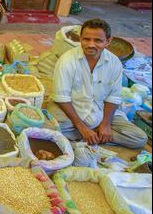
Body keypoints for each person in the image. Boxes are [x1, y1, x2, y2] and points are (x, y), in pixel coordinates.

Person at [48, 18, 147, 149]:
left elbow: (113, 97)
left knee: (139, 138)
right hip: (73, 111)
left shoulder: (114, 63)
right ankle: (94, 135)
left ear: (108, 41)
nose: (91, 44)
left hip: (100, 112)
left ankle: (90, 135)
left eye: (98, 40)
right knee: (50, 127)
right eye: (86, 39)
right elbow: (61, 98)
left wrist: (105, 123)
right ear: (80, 38)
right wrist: (82, 127)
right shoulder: (67, 60)